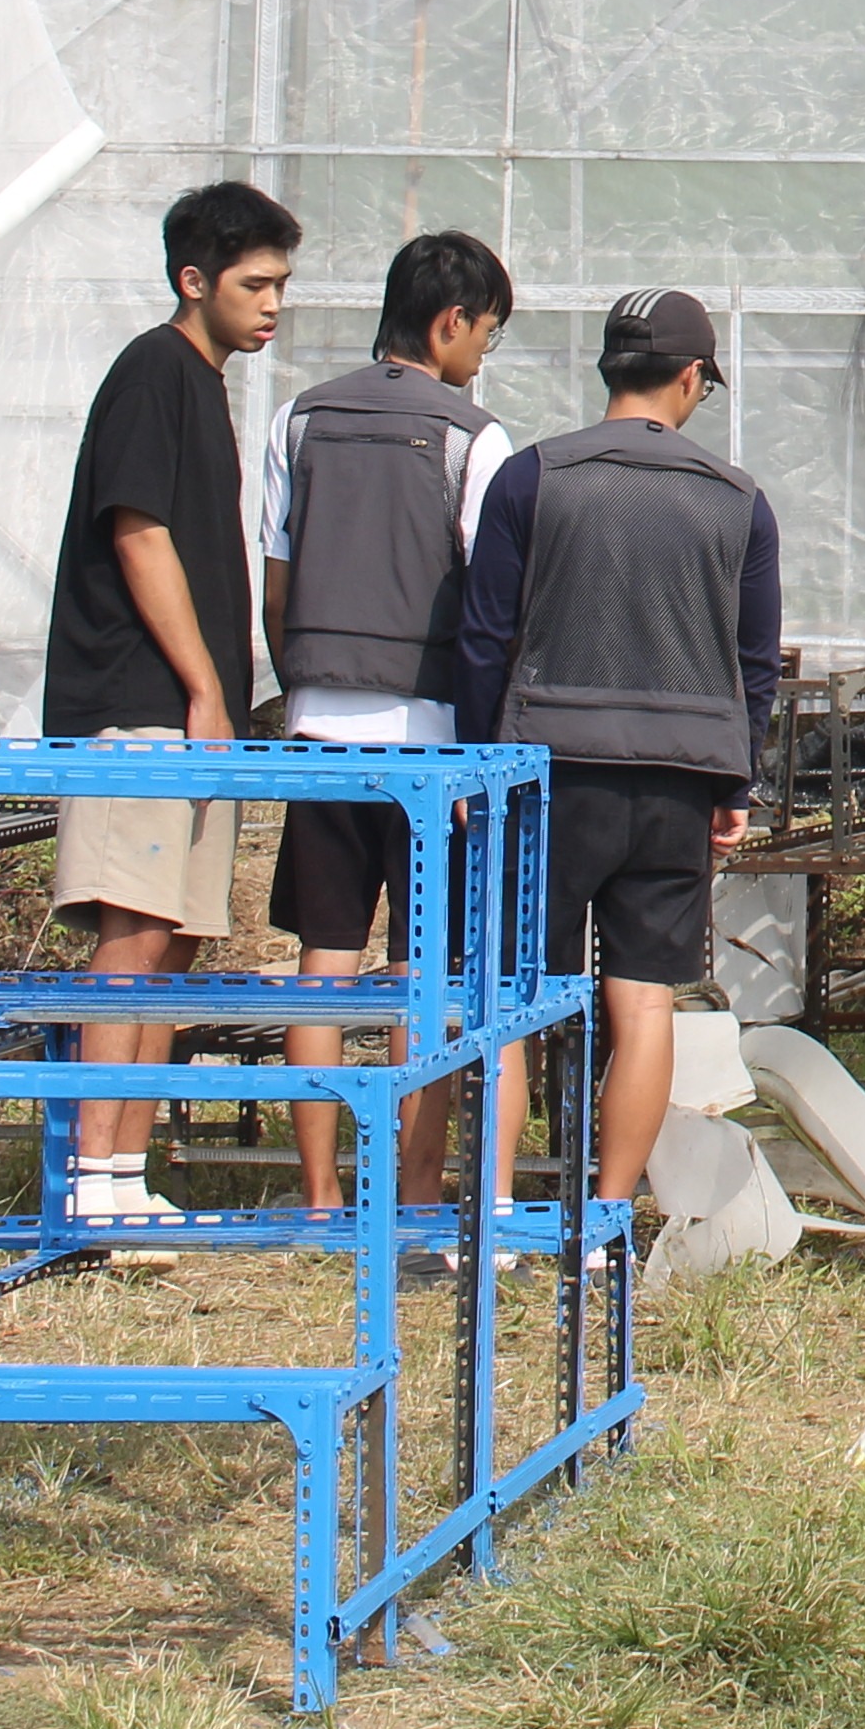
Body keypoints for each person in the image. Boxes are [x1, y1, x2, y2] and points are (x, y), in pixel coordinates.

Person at [453, 288, 781, 1211]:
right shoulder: (738, 502)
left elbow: (485, 639)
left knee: (513, 1007)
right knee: (641, 1005)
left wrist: (480, 769)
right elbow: (752, 663)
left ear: (608, 371)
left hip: (546, 777)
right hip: (679, 780)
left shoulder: (532, 477)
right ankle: (603, 1217)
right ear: (690, 377)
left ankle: (490, 1216)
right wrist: (736, 781)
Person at [42, 179, 298, 1240]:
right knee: (133, 932)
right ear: (195, 280)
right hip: (138, 703)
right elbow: (138, 535)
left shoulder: (207, 385)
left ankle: (125, 1168)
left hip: (193, 712)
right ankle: (91, 1172)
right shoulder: (154, 371)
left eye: (282, 283)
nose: (274, 302)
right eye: (255, 283)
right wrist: (203, 687)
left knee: (178, 937)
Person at [259, 231, 516, 1219]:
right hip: (430, 747)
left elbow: (275, 586)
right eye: (484, 334)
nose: (482, 354)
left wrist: (301, 692)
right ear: (450, 324)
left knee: (322, 966)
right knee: (422, 973)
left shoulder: (297, 419)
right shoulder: (472, 439)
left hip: (320, 731)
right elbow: (488, 611)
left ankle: (320, 1195)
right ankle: (411, 1191)